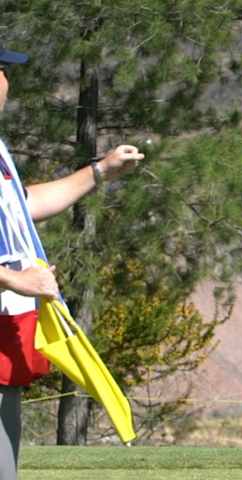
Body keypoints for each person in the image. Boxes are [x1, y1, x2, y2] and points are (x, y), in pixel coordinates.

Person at [0, 46, 144, 480]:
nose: (7, 82)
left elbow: (23, 206)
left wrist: (101, 171)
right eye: (1, 70)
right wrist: (16, 280)